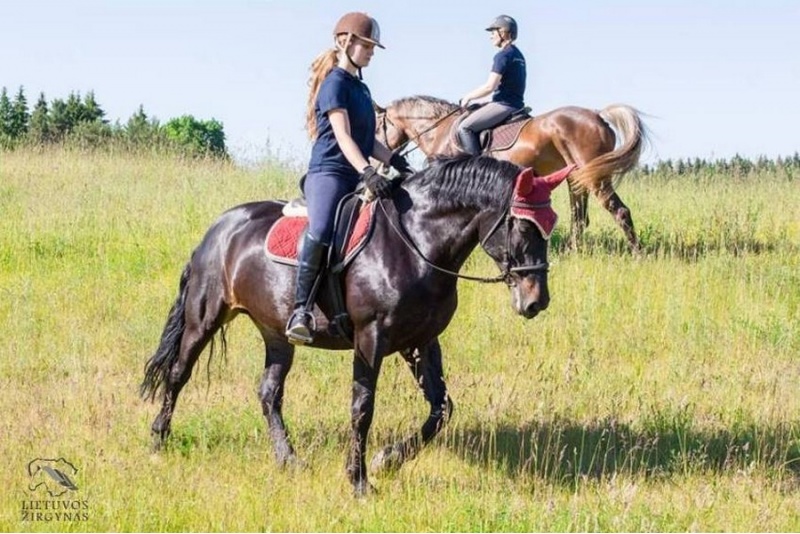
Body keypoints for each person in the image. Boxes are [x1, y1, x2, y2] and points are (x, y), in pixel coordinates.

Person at [285, 12, 413, 345]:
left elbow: (367, 139)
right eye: (367, 45)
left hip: (357, 172)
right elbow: (343, 137)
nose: (371, 52)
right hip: (329, 172)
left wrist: (394, 159)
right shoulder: (334, 84)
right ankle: (301, 310)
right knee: (323, 228)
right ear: (346, 42)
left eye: (372, 47)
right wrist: (368, 171)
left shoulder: (361, 87)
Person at [457, 15, 527, 156]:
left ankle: (477, 169)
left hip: (505, 105)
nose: (491, 37)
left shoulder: (502, 56)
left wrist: (468, 97)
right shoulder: (518, 54)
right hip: (516, 104)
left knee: (464, 128)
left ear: (503, 32)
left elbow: (490, 86)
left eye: (493, 32)